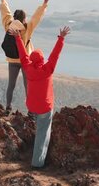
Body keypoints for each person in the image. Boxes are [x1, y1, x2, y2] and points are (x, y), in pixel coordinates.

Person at [10, 26, 70, 168]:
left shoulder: (28, 68)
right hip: (44, 108)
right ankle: (37, 163)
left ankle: (35, 153)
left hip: (32, 107)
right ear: (42, 59)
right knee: (43, 135)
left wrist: (17, 37)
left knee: (40, 128)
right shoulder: (47, 69)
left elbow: (23, 55)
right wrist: (61, 38)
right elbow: (55, 55)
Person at [0, 0, 52, 111]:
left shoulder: (8, 26)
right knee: (28, 86)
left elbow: (5, 13)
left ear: (14, 17)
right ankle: (30, 110)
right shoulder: (27, 28)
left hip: (12, 60)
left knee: (11, 85)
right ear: (23, 19)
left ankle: (8, 107)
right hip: (25, 61)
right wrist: (44, 4)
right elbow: (37, 17)